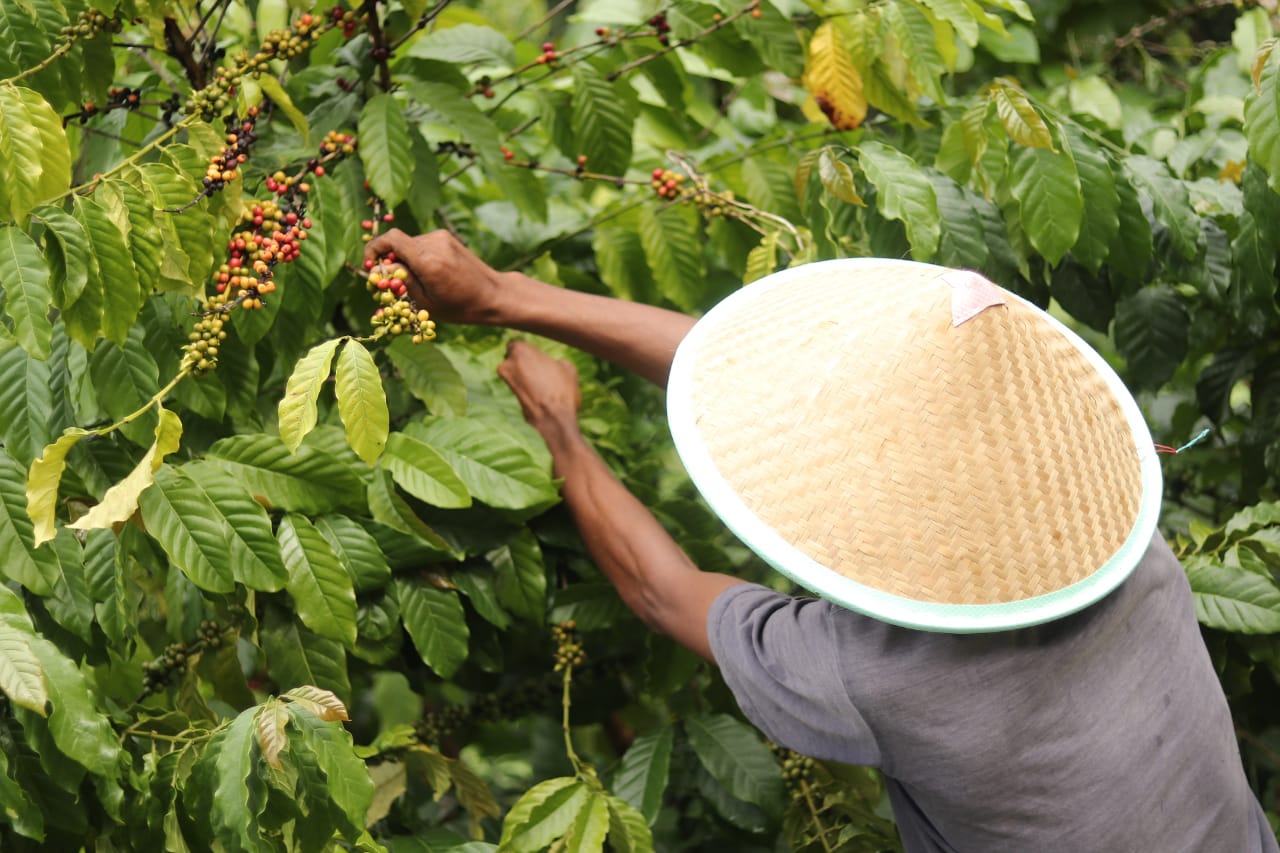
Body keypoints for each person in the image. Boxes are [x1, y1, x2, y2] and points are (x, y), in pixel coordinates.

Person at [365, 229, 1279, 853]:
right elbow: (737, 386)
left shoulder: (879, 676)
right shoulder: (1124, 540)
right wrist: (500, 297)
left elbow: (663, 592)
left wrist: (559, 429)